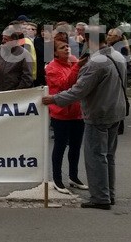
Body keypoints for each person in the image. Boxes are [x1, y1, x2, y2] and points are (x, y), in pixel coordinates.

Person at [41, 28, 126, 210]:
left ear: (88, 40)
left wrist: (54, 99)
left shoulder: (95, 62)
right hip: (116, 110)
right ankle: (108, 194)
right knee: (108, 156)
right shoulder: (118, 56)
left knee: (96, 156)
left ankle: (100, 198)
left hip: (98, 112)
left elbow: (78, 90)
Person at [44, 39, 87, 194]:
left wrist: (78, 65)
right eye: (62, 47)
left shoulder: (74, 62)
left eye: (68, 46)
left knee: (75, 147)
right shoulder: (52, 68)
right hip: (61, 113)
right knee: (60, 147)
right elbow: (64, 86)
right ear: (55, 52)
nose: (67, 49)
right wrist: (77, 67)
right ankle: (57, 179)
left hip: (77, 112)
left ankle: (73, 177)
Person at [0, 26, 33, 91]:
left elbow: (27, 77)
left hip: (13, 93)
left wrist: (16, 92)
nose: (2, 41)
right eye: (2, 38)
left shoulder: (24, 54)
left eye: (6, 39)